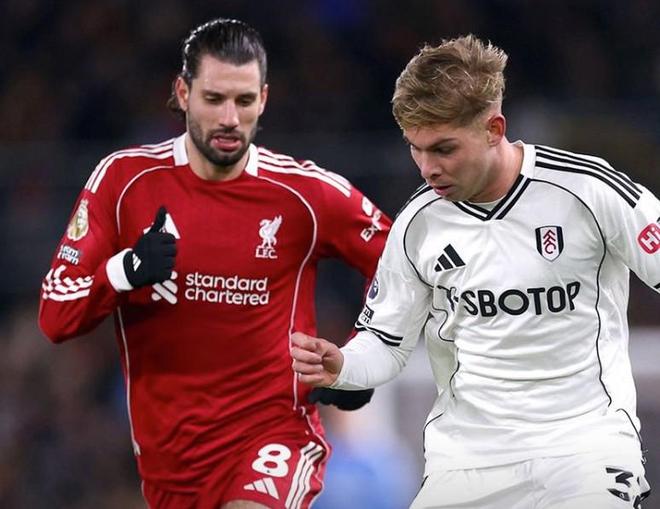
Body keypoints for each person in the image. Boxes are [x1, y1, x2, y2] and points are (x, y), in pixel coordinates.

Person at [291, 34, 660, 508]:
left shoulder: (587, 191)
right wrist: (342, 365)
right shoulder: (418, 224)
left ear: (493, 128)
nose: (427, 168)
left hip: (585, 448)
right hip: (468, 461)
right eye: (415, 149)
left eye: (444, 149)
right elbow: (386, 342)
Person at [38, 18, 390, 509]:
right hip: (170, 461)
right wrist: (125, 271)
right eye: (214, 99)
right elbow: (56, 315)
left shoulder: (306, 194)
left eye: (244, 101)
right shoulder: (124, 182)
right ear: (183, 93)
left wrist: (364, 358)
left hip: (274, 435)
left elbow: (402, 262)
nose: (230, 118)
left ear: (263, 100)